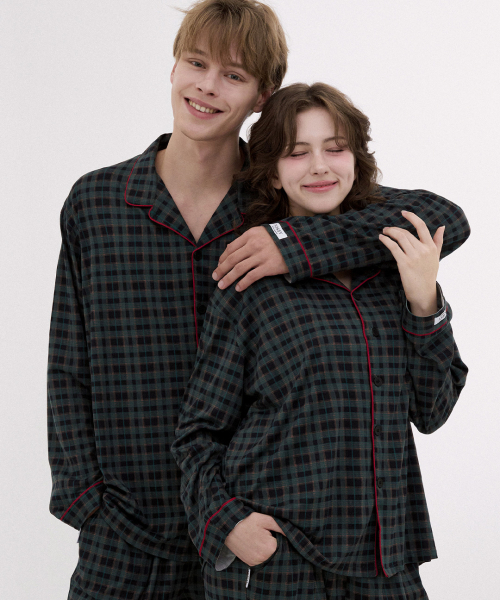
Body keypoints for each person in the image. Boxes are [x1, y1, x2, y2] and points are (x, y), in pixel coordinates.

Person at [47, 1, 469, 599]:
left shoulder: (282, 195)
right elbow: (68, 367)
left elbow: (444, 216)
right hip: (130, 532)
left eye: (234, 75)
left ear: (261, 97)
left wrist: (294, 244)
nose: (207, 86)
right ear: (174, 66)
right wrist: (86, 500)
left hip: (260, 535)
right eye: (196, 63)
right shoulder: (97, 203)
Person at [170, 82, 469, 600]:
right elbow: (198, 432)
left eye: (335, 148)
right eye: (296, 153)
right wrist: (227, 522)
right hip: (278, 563)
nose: (319, 168)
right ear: (271, 171)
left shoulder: (393, 265)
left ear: (356, 158)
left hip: (385, 557)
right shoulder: (250, 282)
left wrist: (424, 300)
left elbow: (432, 410)